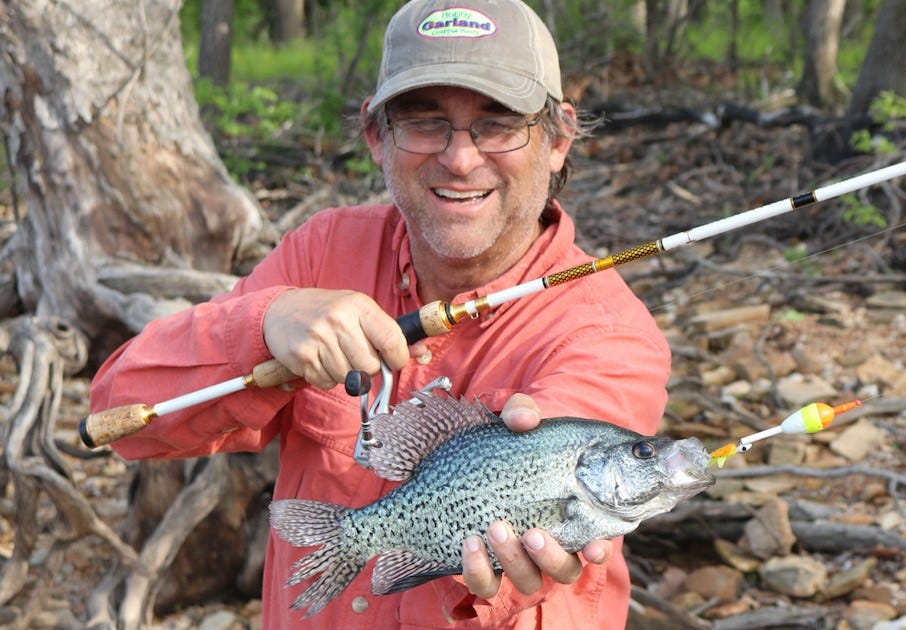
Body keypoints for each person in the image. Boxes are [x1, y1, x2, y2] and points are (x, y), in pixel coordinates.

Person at [89, 0, 672, 627]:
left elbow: (554, 500)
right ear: (376, 136)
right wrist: (265, 324)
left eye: (498, 125)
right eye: (425, 123)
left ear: (557, 140)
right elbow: (121, 415)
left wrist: (499, 568)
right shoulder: (322, 254)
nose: (461, 158)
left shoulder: (609, 334)